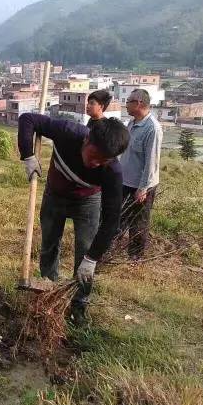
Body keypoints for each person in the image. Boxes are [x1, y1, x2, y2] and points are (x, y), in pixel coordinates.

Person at [18, 113, 129, 323]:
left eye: (102, 161)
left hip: (88, 202)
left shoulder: (112, 172)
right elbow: (27, 119)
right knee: (49, 244)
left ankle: (79, 305)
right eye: (94, 155)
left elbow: (112, 219)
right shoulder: (68, 132)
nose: (95, 163)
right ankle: (47, 291)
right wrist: (28, 155)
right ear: (87, 140)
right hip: (55, 195)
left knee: (84, 254)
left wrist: (92, 258)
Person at [119, 89, 163, 259]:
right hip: (125, 182)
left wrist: (143, 188)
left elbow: (151, 162)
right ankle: (112, 254)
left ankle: (135, 260)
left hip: (140, 186)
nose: (126, 104)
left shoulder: (152, 129)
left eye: (129, 101)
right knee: (119, 220)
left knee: (138, 224)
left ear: (139, 103)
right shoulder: (131, 124)